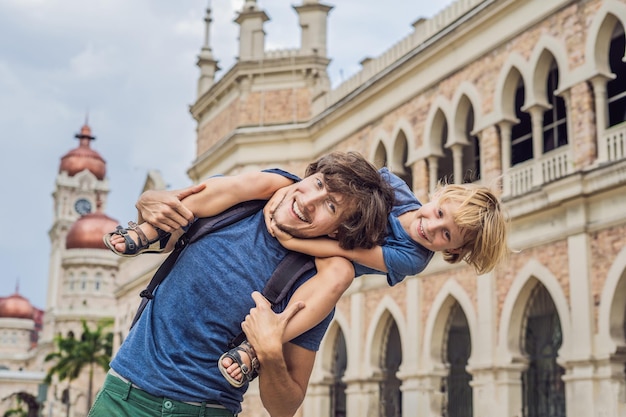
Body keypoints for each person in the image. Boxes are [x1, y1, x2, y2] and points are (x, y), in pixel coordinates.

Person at [105, 166, 510, 388]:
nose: (431, 226)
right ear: (436, 196)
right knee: (265, 181)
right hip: (326, 216)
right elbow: (346, 183)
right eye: (439, 213)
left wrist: (286, 235)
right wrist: (286, 192)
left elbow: (343, 250)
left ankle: (255, 347)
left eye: (445, 235)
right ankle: (153, 227)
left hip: (332, 245)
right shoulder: (396, 186)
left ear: (451, 251)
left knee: (339, 276)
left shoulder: (412, 258)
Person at [88, 151, 394, 417]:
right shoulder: (235, 207)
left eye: (330, 206)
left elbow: (284, 408)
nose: (309, 201)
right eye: (318, 184)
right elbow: (171, 224)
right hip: (121, 398)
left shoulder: (313, 286)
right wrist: (146, 206)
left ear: (339, 232)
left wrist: (270, 352)